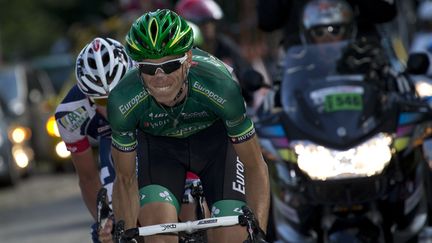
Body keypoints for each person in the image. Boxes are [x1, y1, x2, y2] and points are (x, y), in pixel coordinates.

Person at [103, 9, 270, 242]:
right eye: (149, 69)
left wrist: (258, 232)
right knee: (158, 231)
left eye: (170, 65)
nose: (159, 77)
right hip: (160, 151)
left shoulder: (219, 86)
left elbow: (255, 166)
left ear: (188, 60)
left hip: (216, 147)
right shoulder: (123, 100)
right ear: (138, 68)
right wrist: (127, 234)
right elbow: (125, 179)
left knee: (231, 236)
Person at [54, 37, 132, 243]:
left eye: (118, 95)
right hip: (111, 142)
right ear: (87, 96)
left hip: (152, 133)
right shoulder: (70, 113)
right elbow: (88, 178)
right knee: (109, 227)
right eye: (101, 100)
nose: (111, 107)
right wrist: (104, 218)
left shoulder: (149, 80)